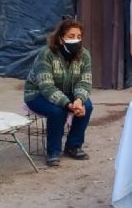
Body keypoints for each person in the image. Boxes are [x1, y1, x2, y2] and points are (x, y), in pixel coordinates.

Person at [24, 19, 94, 167]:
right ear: (61, 39)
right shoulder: (46, 54)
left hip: (68, 92)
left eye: (79, 36)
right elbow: (46, 86)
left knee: (87, 105)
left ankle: (73, 146)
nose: (76, 40)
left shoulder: (84, 55)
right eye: (71, 36)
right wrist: (68, 104)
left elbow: (85, 81)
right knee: (57, 111)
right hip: (38, 94)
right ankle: (53, 151)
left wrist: (79, 100)